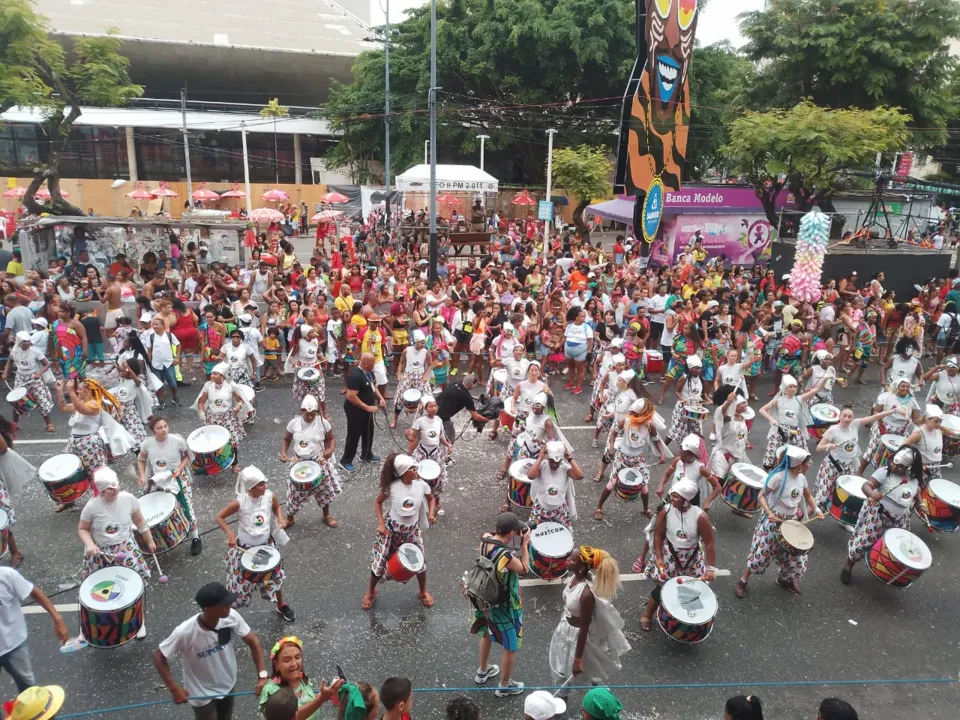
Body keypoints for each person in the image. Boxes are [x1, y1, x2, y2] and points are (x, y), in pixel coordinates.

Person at [154, 582, 268, 720]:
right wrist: (174, 689)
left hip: (228, 684)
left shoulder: (231, 617)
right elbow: (159, 655)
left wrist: (262, 676)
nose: (230, 605)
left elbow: (253, 642)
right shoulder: (185, 632)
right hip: (201, 692)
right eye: (224, 604)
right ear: (208, 609)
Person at [735, 446, 824, 598]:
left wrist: (817, 510)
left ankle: (785, 580)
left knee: (796, 557)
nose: (810, 464)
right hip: (774, 522)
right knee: (761, 555)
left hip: (792, 522)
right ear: (798, 463)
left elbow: (808, 495)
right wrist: (769, 513)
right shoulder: (778, 477)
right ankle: (743, 581)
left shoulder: (801, 479)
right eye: (807, 462)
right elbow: (761, 496)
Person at [215, 466, 295, 622]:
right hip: (244, 549)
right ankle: (227, 616)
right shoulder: (239, 503)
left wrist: (279, 518)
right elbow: (219, 517)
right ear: (251, 488)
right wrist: (230, 534)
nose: (265, 486)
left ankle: (281, 604)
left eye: (264, 483)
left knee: (275, 578)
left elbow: (277, 506)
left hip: (266, 546)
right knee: (237, 585)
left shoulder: (269, 496)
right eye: (261, 484)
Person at [640, 479, 716, 632]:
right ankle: (648, 614)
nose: (671, 498)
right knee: (661, 588)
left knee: (692, 590)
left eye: (675, 496)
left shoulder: (700, 516)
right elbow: (658, 536)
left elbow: (709, 543)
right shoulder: (665, 511)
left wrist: (711, 568)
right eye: (672, 495)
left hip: (692, 559)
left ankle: (686, 622)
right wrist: (660, 557)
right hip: (670, 556)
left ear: (687, 500)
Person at [840, 446, 924, 585]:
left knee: (894, 546)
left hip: (899, 519)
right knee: (863, 542)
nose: (895, 466)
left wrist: (920, 505)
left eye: (900, 466)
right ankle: (848, 565)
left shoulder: (912, 479)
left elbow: (917, 492)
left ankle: (884, 568)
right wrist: (873, 494)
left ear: (907, 467)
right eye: (894, 463)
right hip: (878, 515)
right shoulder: (884, 472)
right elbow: (866, 485)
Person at [548, 546, 629, 687]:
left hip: (576, 635)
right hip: (565, 628)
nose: (567, 560)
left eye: (572, 560)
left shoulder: (586, 594)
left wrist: (577, 659)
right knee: (561, 665)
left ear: (581, 568)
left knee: (574, 667)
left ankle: (574, 693)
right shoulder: (575, 577)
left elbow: (584, 628)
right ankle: (567, 692)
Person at [362, 453, 436, 610]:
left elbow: (431, 498)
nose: (416, 471)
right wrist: (381, 524)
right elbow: (377, 502)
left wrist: (431, 513)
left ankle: (422, 591)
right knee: (379, 563)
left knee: (420, 564)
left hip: (412, 532)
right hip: (391, 532)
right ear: (403, 472)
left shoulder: (421, 485)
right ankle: (370, 592)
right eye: (412, 469)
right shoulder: (392, 487)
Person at [472, 512, 529, 697]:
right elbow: (524, 568)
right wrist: (525, 544)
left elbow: (494, 538)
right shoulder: (506, 556)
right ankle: (504, 686)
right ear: (512, 532)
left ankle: (483, 670)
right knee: (510, 645)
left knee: (487, 633)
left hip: (484, 600)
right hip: (502, 606)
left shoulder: (484, 540)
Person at [814, 403, 896, 515]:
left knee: (846, 494)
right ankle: (802, 520)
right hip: (832, 466)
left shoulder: (855, 424)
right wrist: (829, 446)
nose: (847, 419)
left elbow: (874, 417)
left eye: (849, 416)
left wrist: (892, 411)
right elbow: (819, 448)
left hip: (848, 466)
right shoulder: (833, 430)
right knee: (822, 496)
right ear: (839, 416)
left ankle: (844, 521)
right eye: (844, 416)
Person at [138, 416, 202, 555]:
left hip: (177, 477)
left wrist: (179, 468)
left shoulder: (177, 440)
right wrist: (142, 475)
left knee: (186, 507)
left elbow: (187, 455)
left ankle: (195, 537)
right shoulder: (147, 444)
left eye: (165, 426)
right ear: (153, 430)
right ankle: (162, 538)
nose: (163, 430)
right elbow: (141, 459)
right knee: (157, 507)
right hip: (158, 479)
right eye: (159, 428)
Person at [595, 398, 665, 521]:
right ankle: (599, 508)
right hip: (622, 456)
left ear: (641, 414)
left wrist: (662, 454)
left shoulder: (649, 425)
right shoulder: (626, 421)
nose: (631, 414)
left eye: (634, 413)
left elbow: (656, 440)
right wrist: (611, 448)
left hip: (638, 459)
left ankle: (645, 508)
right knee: (612, 483)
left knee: (644, 486)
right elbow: (613, 433)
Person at [0, 567, 69, 692]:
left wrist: (58, 619)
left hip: (13, 643)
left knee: (28, 688)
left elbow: (34, 592)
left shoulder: (6, 575)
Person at [279, 395, 342, 528]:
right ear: (301, 411)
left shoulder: (323, 422)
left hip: (318, 461)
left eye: (313, 414)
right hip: (299, 462)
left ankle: (326, 515)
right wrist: (284, 453)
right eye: (307, 414)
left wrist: (330, 450)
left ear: (317, 412)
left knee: (324, 490)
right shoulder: (294, 423)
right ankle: (290, 518)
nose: (309, 417)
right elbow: (286, 439)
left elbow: (331, 438)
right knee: (295, 493)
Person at [258, 635, 345, 720]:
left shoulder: (301, 678)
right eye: (287, 660)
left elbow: (305, 700)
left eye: (297, 657)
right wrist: (322, 698)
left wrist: (327, 694)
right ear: (276, 664)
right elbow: (293, 716)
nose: (294, 664)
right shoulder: (273, 693)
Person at [757, 374, 824, 470]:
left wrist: (825, 377)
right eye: (790, 386)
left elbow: (815, 390)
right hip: (779, 431)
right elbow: (762, 410)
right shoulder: (778, 400)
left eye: (795, 386)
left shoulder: (799, 399)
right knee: (770, 459)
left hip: (795, 432)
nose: (793, 389)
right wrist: (772, 419)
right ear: (785, 388)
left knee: (800, 457)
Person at [858, 378, 921, 476]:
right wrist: (880, 420)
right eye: (902, 386)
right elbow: (876, 411)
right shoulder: (886, 397)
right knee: (872, 450)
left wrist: (927, 419)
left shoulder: (912, 401)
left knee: (898, 455)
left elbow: (916, 419)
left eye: (908, 386)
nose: (905, 388)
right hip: (883, 427)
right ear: (897, 387)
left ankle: (885, 477)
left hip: (901, 431)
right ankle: (859, 473)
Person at [193, 363, 250, 471]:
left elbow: (240, 399)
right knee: (213, 441)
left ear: (222, 376)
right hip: (212, 417)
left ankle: (234, 463)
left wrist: (238, 406)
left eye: (215, 374)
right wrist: (201, 412)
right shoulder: (208, 385)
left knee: (231, 442)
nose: (212, 375)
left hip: (228, 418)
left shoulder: (231, 386)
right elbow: (201, 401)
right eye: (212, 373)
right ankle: (215, 464)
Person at [407, 395, 453, 514]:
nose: (433, 408)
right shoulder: (420, 421)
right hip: (423, 453)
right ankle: (418, 503)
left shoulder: (438, 420)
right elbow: (413, 438)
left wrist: (448, 445)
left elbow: (441, 435)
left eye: (435, 406)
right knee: (419, 478)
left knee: (437, 480)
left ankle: (437, 503)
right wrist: (407, 434)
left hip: (435, 454)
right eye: (430, 406)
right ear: (425, 408)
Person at [340, 352, 385, 472]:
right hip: (355, 410)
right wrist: (367, 407)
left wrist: (380, 398)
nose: (374, 365)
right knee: (354, 435)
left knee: (368, 432)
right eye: (372, 363)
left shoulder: (369, 373)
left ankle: (366, 454)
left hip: (367, 409)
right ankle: (346, 460)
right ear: (365, 363)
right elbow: (351, 396)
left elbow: (373, 387)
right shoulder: (355, 376)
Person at [3, 332, 55, 432]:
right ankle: (15, 424)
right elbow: (10, 361)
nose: (28, 343)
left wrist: (39, 373)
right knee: (17, 400)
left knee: (41, 399)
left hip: (33, 377)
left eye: (29, 341)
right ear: (20, 342)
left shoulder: (35, 351)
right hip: (20, 376)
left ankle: (49, 423)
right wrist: (5, 372)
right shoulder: (15, 351)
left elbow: (47, 364)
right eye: (25, 341)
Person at [527, 441, 584, 527]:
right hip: (540, 510)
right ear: (548, 458)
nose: (554, 465)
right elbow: (530, 476)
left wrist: (570, 459)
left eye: (557, 462)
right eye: (551, 461)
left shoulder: (565, 468)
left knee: (561, 537)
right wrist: (540, 457)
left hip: (559, 510)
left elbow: (579, 476)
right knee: (534, 536)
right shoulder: (542, 467)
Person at [657, 434, 721, 509]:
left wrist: (707, 501)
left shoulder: (700, 468)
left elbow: (717, 487)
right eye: (681, 454)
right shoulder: (677, 460)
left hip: (690, 501)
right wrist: (661, 485)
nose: (682, 458)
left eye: (685, 456)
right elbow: (667, 474)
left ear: (693, 455)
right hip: (674, 496)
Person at [392, 330, 433, 428]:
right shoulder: (407, 350)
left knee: (427, 397)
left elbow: (430, 365)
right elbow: (401, 362)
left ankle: (426, 421)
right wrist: (399, 373)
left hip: (421, 376)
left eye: (424, 343)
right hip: (408, 376)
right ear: (415, 341)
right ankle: (395, 419)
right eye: (421, 343)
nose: (423, 345)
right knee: (399, 398)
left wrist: (426, 375)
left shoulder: (425, 352)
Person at [436, 373, 489, 445]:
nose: (474, 387)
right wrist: (486, 419)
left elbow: (461, 393)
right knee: (450, 435)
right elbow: (475, 416)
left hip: (435, 406)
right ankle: (446, 451)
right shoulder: (466, 397)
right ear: (470, 385)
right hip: (442, 416)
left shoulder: (457, 383)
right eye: (474, 385)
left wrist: (475, 398)